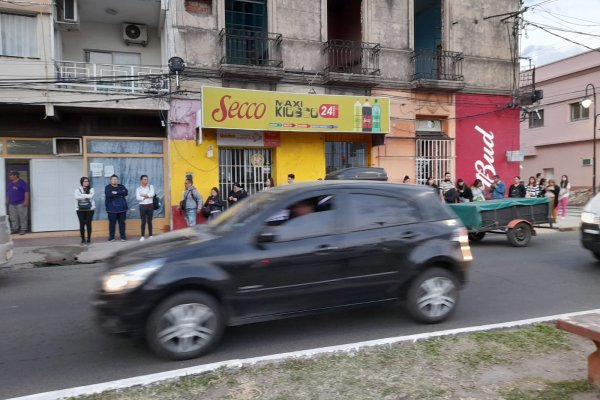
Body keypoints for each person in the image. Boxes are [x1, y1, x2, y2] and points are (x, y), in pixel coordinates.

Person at [105, 174, 128, 242]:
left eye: (116, 179)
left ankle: (123, 237)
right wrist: (120, 193)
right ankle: (112, 237)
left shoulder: (121, 186)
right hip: (111, 209)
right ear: (111, 180)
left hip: (122, 209)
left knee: (122, 223)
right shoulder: (107, 187)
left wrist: (116, 192)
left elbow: (126, 192)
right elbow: (108, 194)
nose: (115, 180)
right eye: (113, 179)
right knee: (112, 223)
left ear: (117, 180)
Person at [6, 170, 29, 235]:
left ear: (15, 176)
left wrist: (26, 201)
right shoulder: (10, 183)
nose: (9, 176)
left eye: (11, 175)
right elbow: (8, 192)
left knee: (22, 216)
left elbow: (26, 192)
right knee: (13, 217)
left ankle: (23, 229)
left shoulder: (22, 182)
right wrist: (7, 200)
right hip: (12, 203)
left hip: (21, 203)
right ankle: (15, 229)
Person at [74, 176, 95, 245]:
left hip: (90, 209)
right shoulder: (77, 189)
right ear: (82, 182)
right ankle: (83, 239)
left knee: (88, 224)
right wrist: (86, 195)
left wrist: (82, 195)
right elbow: (76, 197)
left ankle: (88, 238)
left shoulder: (91, 189)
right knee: (82, 224)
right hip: (80, 210)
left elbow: (91, 196)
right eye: (85, 181)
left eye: (87, 181)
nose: (87, 182)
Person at [135, 175, 155, 241]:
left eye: (147, 179)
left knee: (149, 221)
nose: (146, 180)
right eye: (144, 179)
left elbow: (152, 194)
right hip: (142, 206)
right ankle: (142, 236)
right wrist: (147, 196)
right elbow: (138, 198)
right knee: (143, 222)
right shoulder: (138, 189)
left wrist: (143, 195)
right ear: (141, 180)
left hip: (150, 205)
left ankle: (150, 235)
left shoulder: (151, 186)